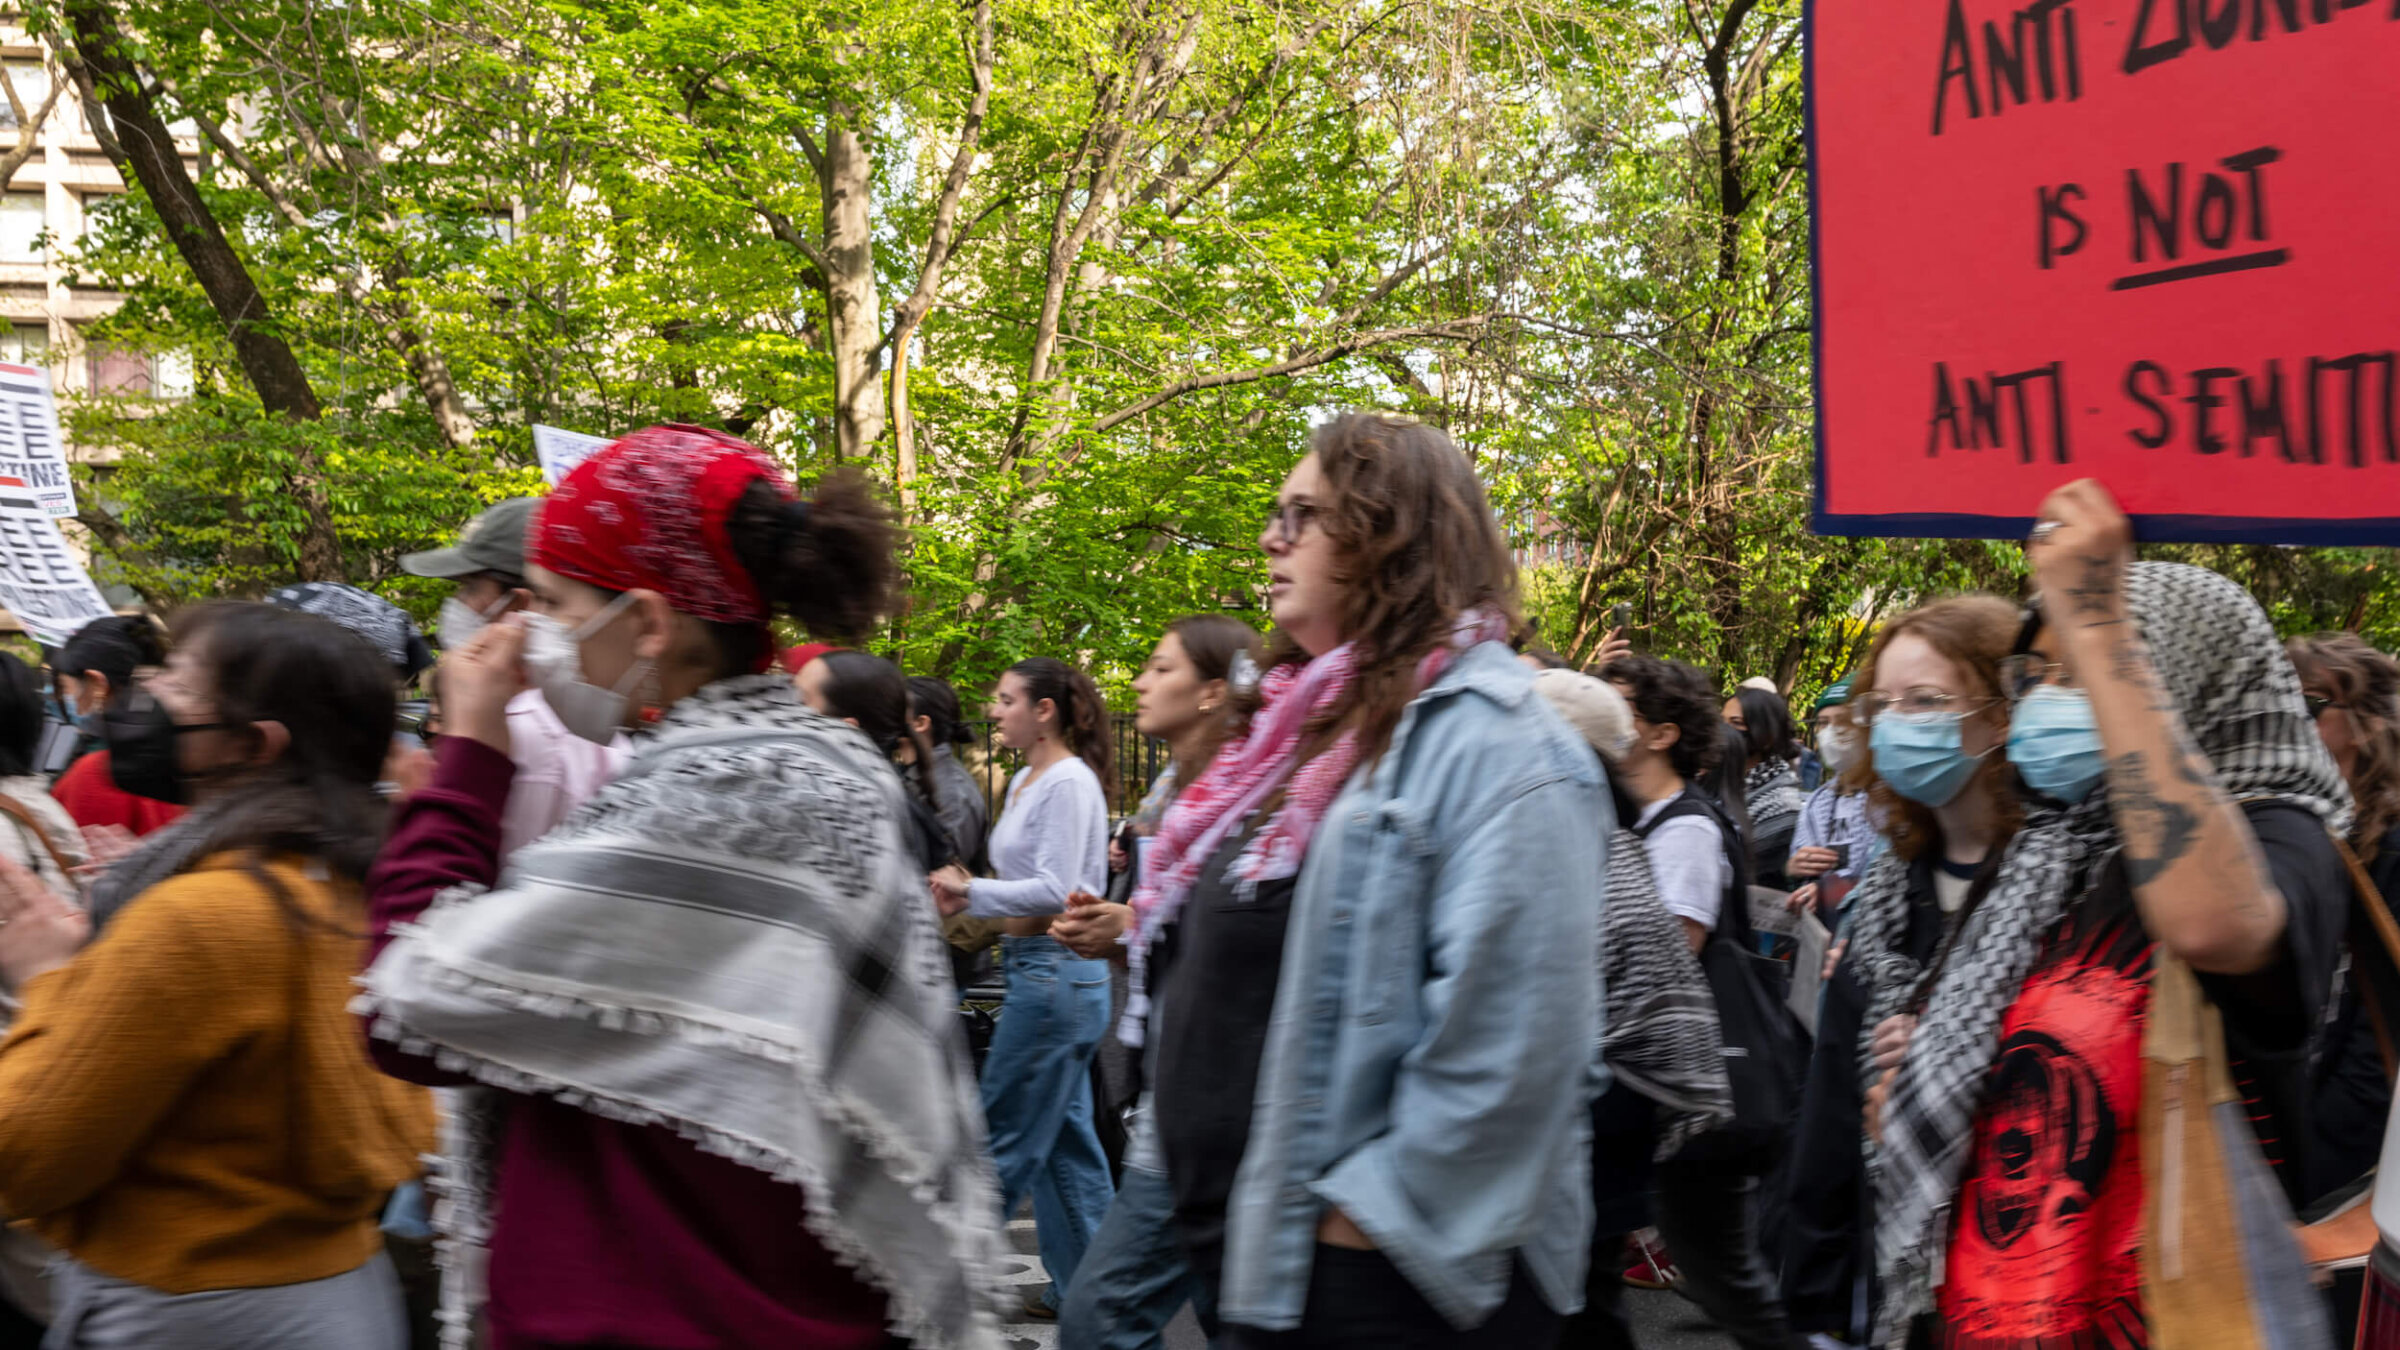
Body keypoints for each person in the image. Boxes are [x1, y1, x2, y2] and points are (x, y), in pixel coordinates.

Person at [355, 425, 1003, 1350]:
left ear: (649, 624)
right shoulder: (769, 765)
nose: (524, 638)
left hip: (687, 1314)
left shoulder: (737, 787)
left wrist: (470, 755)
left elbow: (408, 1005)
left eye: (550, 604)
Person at [1144, 414, 1604, 1348]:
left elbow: (1516, 1051)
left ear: (1390, 537)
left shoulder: (1502, 742)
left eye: (1305, 515)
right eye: (1278, 514)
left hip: (1381, 1287)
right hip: (1254, 1253)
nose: (1273, 539)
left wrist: (1360, 1230)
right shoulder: (1300, 728)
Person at [1868, 481, 2352, 1349]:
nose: (2050, 697)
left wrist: (2098, 619)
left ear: (2181, 673)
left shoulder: (2278, 835)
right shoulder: (2049, 850)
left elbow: (2212, 929)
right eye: (2041, 672)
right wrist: (1919, 1085)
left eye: (2079, 673)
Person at [0, 603, 435, 1349]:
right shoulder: (340, 882)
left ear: (252, 743)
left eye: (175, 679)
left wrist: (50, 978)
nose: (147, 693)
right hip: (327, 1292)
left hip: (192, 1309)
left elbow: (24, 1156)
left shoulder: (203, 915)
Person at [1777, 598, 2021, 1348]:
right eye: (1884, 704)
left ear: (1999, 716)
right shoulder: (1885, 899)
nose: (1897, 724)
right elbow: (1829, 1126)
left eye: (1928, 701)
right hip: (1891, 1294)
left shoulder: (2062, 890)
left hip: (2020, 1283)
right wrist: (1812, 1310)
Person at [1051, 613, 1261, 1350]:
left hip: (1213, 1106)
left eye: (1160, 667)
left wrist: (1130, 925)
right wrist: (1114, 933)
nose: (1138, 682)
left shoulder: (1254, 795)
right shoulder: (1173, 796)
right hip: (1174, 1090)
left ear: (1212, 692)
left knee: (1097, 1318)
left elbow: (1245, 937)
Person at [1601, 652, 1802, 1350]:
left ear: (1659, 733)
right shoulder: (1637, 816)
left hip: (1697, 1087)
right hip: (1665, 1088)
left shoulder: (1683, 829)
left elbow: (1665, 966)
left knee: (1725, 1277)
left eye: (1616, 703)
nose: (1600, 714)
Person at [1533, 667, 1731, 1350]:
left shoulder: (1667, 834)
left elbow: (1664, 966)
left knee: (1595, 1292)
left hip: (1615, 1097)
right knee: (1583, 1295)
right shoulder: (1616, 830)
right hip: (1599, 1105)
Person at [928, 657, 1117, 1321]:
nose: (996, 708)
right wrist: (970, 895)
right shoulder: (1026, 780)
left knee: (1000, 1142)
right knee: (1066, 1150)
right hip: (1038, 971)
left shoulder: (1067, 781)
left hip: (1055, 975)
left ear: (1046, 711)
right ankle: (1094, 1300)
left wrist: (970, 889)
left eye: (1008, 699)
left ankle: (946, 1299)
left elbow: (1056, 887)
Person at [402, 497, 627, 858]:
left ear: (521, 605)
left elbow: (447, 892)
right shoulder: (588, 710)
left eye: (470, 587)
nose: (457, 604)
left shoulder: (510, 729)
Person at [2285, 633, 2400, 1210]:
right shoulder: (2297, 833)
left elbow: (2373, 1062)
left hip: (2341, 1178)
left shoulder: (2391, 850)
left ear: (2368, 724)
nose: (2289, 720)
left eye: (2308, 703)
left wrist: (2293, 1177)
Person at [797, 647, 958, 872]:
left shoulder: (866, 825)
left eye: (800, 705)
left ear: (846, 729)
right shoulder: (874, 804)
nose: (784, 714)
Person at [48, 616, 182, 841]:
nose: (64, 699)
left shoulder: (96, 774)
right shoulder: (188, 758)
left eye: (64, 687)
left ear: (97, 683)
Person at [1785, 674, 1877, 920]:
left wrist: (1827, 892)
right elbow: (1802, 872)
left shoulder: (1890, 799)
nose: (1831, 731)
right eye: (1824, 722)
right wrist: (1794, 869)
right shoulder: (1816, 803)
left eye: (1843, 720)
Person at [908, 675, 990, 873]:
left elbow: (943, 877)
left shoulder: (953, 794)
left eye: (895, 709)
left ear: (920, 723)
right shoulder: (908, 774)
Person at [1725, 685, 1803, 889]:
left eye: (1735, 723)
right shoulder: (1723, 781)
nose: (1722, 732)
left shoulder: (1781, 805)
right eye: (1720, 722)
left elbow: (1752, 876)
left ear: (1767, 736)